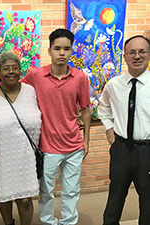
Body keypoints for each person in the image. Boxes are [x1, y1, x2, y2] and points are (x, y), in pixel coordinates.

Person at [21, 28, 91, 225]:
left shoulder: (80, 78)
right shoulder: (36, 75)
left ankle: (69, 221)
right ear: (49, 50)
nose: (62, 53)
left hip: (74, 145)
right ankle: (48, 221)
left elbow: (85, 109)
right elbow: (14, 88)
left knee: (71, 190)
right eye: (57, 48)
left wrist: (86, 141)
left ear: (71, 51)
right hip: (48, 146)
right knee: (46, 190)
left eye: (67, 49)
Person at [0, 52, 41, 225]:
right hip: (2, 156)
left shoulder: (31, 91)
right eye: (6, 68)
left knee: (24, 199)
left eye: (15, 68)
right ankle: (9, 223)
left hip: (27, 155)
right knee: (4, 196)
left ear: (20, 71)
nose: (11, 72)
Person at [98, 35, 150, 225]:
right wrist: (108, 129)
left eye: (142, 51)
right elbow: (102, 108)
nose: (137, 56)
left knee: (148, 196)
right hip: (121, 149)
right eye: (132, 52)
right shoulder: (114, 85)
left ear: (149, 54)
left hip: (147, 150)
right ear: (125, 56)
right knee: (116, 195)